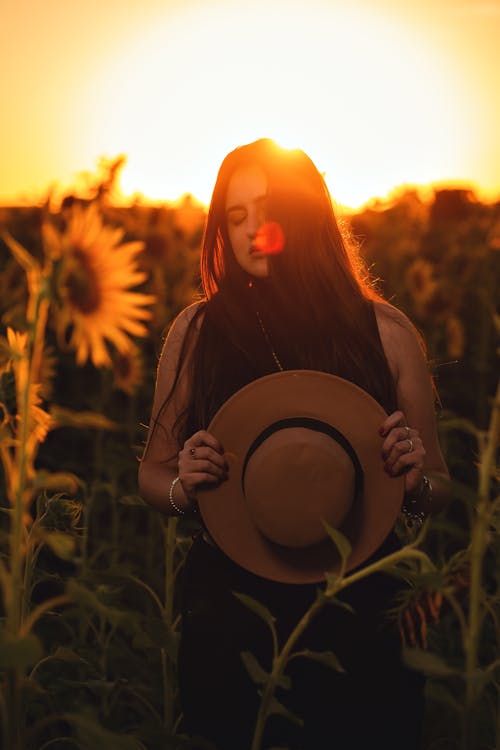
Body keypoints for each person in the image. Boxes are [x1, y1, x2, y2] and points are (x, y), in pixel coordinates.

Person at [138, 138, 450, 749]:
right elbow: (152, 475)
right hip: (230, 609)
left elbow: (438, 486)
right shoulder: (199, 331)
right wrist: (184, 484)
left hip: (363, 605)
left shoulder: (384, 334)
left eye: (269, 208)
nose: (253, 229)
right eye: (235, 216)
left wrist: (415, 476)